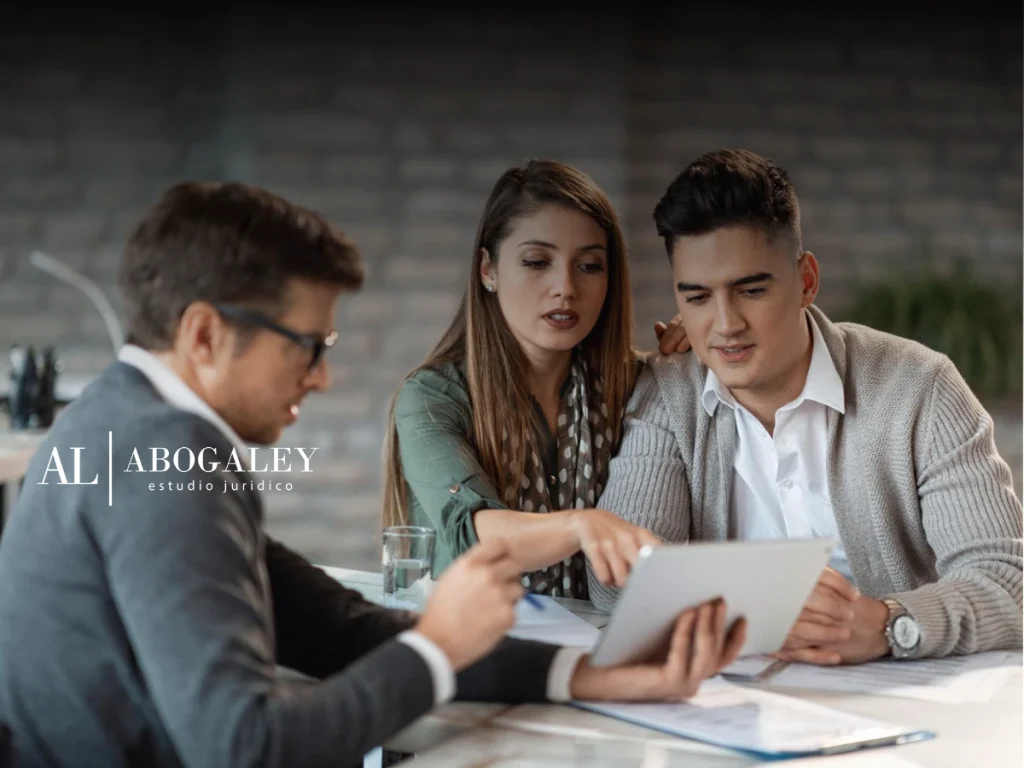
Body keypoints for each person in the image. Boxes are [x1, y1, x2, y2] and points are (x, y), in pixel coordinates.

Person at [0, 181, 747, 768]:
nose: (321, 377)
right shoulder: (157, 459)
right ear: (204, 334)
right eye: (307, 344)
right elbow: (245, 746)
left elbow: (338, 629)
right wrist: (439, 646)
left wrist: (584, 677)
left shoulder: (121, 428)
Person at [588, 148, 1023, 664]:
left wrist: (889, 625)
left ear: (806, 281)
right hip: (734, 695)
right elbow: (618, 586)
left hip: (900, 692)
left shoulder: (920, 389)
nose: (726, 325)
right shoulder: (669, 392)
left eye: (751, 290)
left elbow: (1007, 581)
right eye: (698, 297)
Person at [382, 160, 689, 600]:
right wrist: (580, 525)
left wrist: (702, 340)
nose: (566, 287)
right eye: (537, 261)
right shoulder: (431, 397)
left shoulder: (637, 384)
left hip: (599, 635)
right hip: (471, 632)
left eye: (590, 266)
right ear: (487, 269)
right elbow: (477, 534)